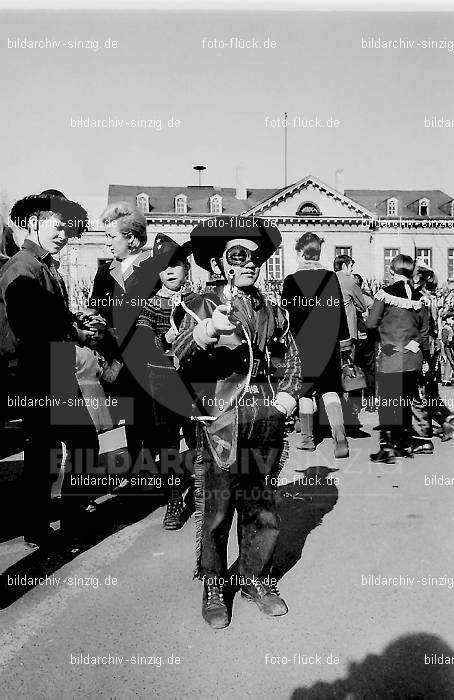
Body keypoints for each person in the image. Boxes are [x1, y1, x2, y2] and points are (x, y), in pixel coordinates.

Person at [174, 215, 303, 629]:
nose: (249, 263)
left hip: (266, 421)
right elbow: (177, 357)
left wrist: (287, 395)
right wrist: (206, 333)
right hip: (221, 423)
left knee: (261, 503)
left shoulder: (273, 309)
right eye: (238, 255)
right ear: (220, 263)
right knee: (217, 506)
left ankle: (255, 578)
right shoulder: (199, 305)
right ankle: (214, 582)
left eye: (256, 256)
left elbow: (291, 358)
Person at [0, 189, 100, 548]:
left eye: (67, 229)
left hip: (53, 366)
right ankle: (64, 521)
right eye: (58, 227)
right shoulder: (22, 267)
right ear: (33, 224)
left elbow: (51, 318)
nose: (64, 235)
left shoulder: (44, 267)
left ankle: (41, 526)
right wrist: (76, 331)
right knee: (73, 444)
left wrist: (75, 326)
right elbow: (30, 325)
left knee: (49, 449)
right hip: (37, 369)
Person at [89, 201, 161, 481]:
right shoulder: (104, 273)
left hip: (151, 359)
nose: (107, 244)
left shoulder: (155, 271)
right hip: (119, 360)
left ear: (131, 238)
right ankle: (136, 468)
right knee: (132, 417)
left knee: (153, 418)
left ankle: (156, 472)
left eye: (111, 237)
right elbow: (96, 311)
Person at [130, 233, 197, 529]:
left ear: (186, 269)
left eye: (175, 265)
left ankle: (202, 494)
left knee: (198, 440)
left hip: (195, 385)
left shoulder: (198, 301)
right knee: (168, 446)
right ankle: (173, 500)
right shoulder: (150, 304)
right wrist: (164, 339)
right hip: (163, 383)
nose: (169, 271)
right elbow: (142, 345)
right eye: (163, 266)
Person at [281, 233, 350, 457]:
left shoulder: (291, 281)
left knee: (305, 392)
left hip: (301, 345)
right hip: (328, 343)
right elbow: (339, 313)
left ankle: (308, 439)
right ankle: (340, 436)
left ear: (300, 253)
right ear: (318, 253)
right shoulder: (331, 277)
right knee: (330, 390)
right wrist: (344, 341)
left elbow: (285, 317)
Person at [366, 254, 429, 464]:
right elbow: (424, 332)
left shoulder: (384, 294)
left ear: (392, 271)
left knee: (387, 402)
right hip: (412, 357)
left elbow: (371, 324)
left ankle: (387, 448)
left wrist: (385, 341)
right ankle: (405, 445)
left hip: (390, 354)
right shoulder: (421, 298)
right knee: (405, 402)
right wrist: (416, 348)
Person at [411, 261, 454, 447]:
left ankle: (425, 430)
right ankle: (448, 419)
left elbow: (422, 329)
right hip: (432, 347)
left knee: (422, 391)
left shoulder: (421, 299)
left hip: (425, 348)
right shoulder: (432, 297)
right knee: (429, 390)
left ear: (419, 279)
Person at [334, 254, 368, 432]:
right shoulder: (349, 281)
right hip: (348, 335)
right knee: (351, 373)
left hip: (330, 336)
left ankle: (334, 414)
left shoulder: (328, 280)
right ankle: (351, 415)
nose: (352, 270)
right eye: (351, 267)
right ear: (345, 266)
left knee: (334, 375)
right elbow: (362, 306)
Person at [352, 273, 376, 411]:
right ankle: (363, 402)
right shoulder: (367, 298)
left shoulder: (357, 298)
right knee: (363, 370)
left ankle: (361, 403)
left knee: (363, 370)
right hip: (361, 338)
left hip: (362, 338)